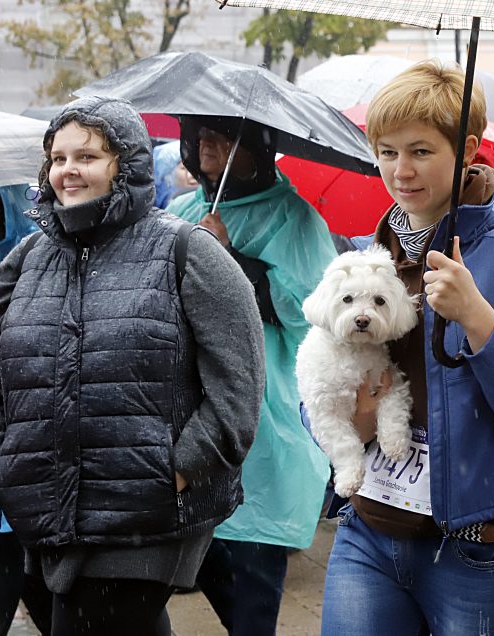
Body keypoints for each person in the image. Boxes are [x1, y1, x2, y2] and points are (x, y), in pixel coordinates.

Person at [0, 96, 265, 635]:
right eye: (57, 158)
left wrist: (173, 471)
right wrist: (1, 465)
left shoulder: (186, 250)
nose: (67, 170)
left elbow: (238, 389)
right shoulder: (25, 262)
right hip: (46, 513)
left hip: (148, 520)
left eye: (87, 156)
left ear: (124, 163)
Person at [319, 60, 494, 635]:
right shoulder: (362, 258)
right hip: (371, 529)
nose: (400, 171)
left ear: (469, 150)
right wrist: (349, 427)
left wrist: (477, 317)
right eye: (386, 152)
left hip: (483, 545)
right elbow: (316, 385)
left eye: (420, 151)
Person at [167, 115, 335, 635]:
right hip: (191, 420)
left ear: (258, 146)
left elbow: (314, 316)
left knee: (255, 582)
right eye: (199, 135)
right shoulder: (180, 213)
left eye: (222, 134)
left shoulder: (295, 219)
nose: (207, 144)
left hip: (267, 423)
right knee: (193, 561)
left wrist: (231, 260)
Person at [0, 185, 53, 635]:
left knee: (1, 570)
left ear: (1, 204)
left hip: (7, 452)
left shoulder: (33, 258)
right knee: (31, 585)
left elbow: (38, 351)